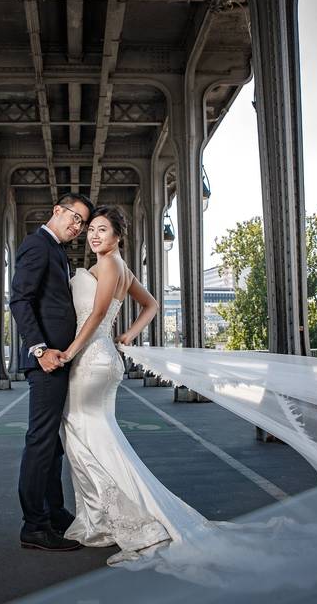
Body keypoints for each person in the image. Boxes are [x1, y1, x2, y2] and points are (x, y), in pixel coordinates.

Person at [58, 205, 214, 565]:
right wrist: (128, 333)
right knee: (93, 435)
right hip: (102, 357)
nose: (94, 235)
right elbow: (152, 304)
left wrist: (69, 352)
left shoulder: (112, 265)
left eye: (102, 230)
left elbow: (97, 315)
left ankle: (118, 519)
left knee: (84, 433)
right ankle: (101, 516)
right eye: (91, 229)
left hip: (91, 360)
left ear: (117, 237)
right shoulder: (119, 267)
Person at [9, 192, 94, 552]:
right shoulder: (37, 245)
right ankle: (34, 525)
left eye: (82, 223)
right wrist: (40, 349)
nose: (77, 227)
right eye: (73, 217)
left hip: (59, 361)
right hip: (47, 360)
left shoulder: (57, 250)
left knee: (53, 446)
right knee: (41, 441)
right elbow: (19, 299)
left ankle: (53, 510)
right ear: (56, 210)